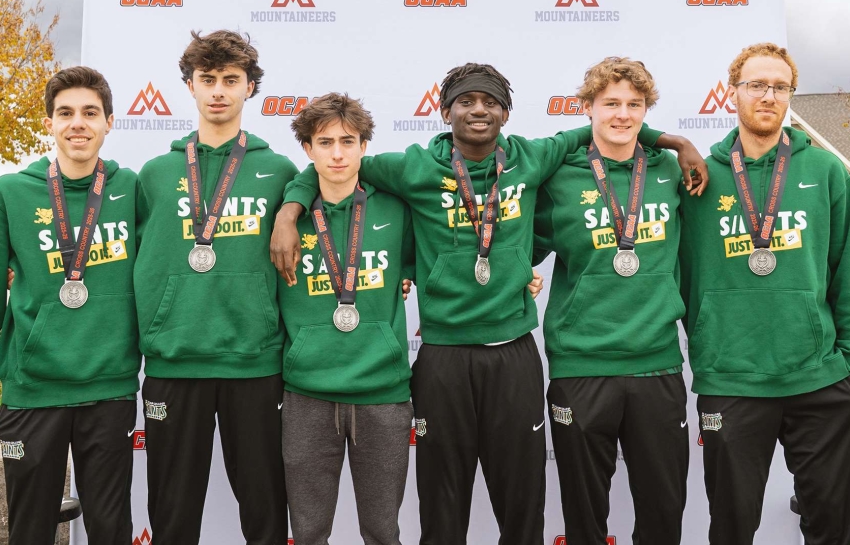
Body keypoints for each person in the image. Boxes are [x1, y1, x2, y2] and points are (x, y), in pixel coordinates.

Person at [271, 62, 706, 544]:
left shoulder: (533, 157)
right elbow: (334, 166)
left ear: (506, 112)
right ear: (445, 111)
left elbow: (603, 125)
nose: (479, 110)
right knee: (443, 505)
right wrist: (290, 211)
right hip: (442, 356)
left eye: (491, 102)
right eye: (466, 101)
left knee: (522, 506)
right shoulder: (412, 166)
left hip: (514, 350)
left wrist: (676, 143)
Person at [679, 42, 850, 545]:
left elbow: (844, 268)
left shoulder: (824, 171)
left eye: (780, 86)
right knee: (731, 528)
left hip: (817, 379)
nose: (768, 95)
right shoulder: (697, 178)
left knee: (830, 523)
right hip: (732, 380)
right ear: (733, 93)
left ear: (790, 96)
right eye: (757, 84)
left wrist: (845, 358)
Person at [134, 30, 298, 545]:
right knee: (173, 513)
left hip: (254, 362)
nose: (219, 91)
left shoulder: (280, 171)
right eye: (208, 80)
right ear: (190, 86)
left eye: (231, 80)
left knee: (265, 510)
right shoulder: (155, 175)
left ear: (250, 88)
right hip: (174, 361)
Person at [534, 57, 692, 545]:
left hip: (657, 367)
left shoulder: (671, 169)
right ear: (587, 108)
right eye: (611, 104)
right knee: (584, 521)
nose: (622, 115)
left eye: (635, 104)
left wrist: (677, 142)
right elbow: (512, 242)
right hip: (581, 367)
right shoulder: (560, 175)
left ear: (647, 110)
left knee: (664, 516)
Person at [0, 66, 139, 544]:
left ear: (109, 122)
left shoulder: (132, 189)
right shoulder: (11, 191)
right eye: (65, 113)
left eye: (89, 112)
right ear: (49, 124)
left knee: (109, 528)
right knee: (29, 530)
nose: (77, 123)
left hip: (110, 385)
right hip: (31, 387)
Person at [279, 92, 414, 545]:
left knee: (382, 531)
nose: (337, 153)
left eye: (348, 141)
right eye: (325, 142)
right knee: (309, 531)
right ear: (308, 149)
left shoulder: (397, 209)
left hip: (383, 395)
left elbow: (441, 261)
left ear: (364, 146)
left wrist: (522, 276)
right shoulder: (282, 218)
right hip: (307, 396)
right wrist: (288, 209)